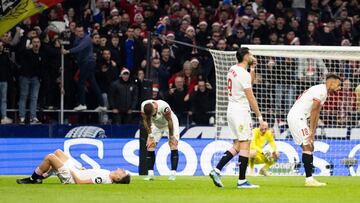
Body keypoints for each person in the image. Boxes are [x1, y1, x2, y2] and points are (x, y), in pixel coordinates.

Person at [209, 47, 264, 189]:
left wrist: (252, 69)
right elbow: (250, 96)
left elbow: (248, 84)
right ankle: (242, 181)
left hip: (231, 110)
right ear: (246, 56)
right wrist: (260, 118)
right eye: (250, 54)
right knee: (245, 144)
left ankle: (217, 170)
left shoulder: (233, 69)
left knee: (238, 146)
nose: (253, 55)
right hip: (241, 112)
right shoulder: (242, 74)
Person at [287, 74, 341, 187]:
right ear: (331, 83)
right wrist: (311, 130)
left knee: (309, 146)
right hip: (297, 117)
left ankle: (309, 178)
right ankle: (309, 179)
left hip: (298, 118)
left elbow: (317, 114)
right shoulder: (321, 90)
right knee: (308, 146)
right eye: (338, 84)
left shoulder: (323, 92)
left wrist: (313, 131)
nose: (339, 87)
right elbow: (314, 111)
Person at [16, 149, 130, 184]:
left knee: (50, 157)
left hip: (71, 178)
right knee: (58, 152)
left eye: (123, 172)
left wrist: (72, 171)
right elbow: (91, 174)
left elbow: (80, 183)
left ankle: (32, 179)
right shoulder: (108, 174)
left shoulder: (105, 179)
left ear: (118, 178)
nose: (122, 169)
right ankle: (40, 177)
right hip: (76, 171)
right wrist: (81, 170)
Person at [62, 25, 106, 112]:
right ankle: (102, 104)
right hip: (83, 63)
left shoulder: (87, 38)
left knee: (81, 82)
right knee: (93, 83)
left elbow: (79, 48)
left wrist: (68, 51)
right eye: (78, 31)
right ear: (75, 32)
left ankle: (82, 104)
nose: (80, 33)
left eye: (81, 31)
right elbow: (75, 46)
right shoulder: (76, 39)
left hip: (88, 62)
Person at [141, 99, 179, 181]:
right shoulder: (143, 106)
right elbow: (146, 120)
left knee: (173, 145)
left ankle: (173, 174)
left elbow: (169, 120)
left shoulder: (164, 107)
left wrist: (171, 136)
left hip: (169, 123)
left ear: (155, 109)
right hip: (156, 125)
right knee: (150, 146)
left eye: (152, 115)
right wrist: (150, 135)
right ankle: (150, 174)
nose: (152, 116)